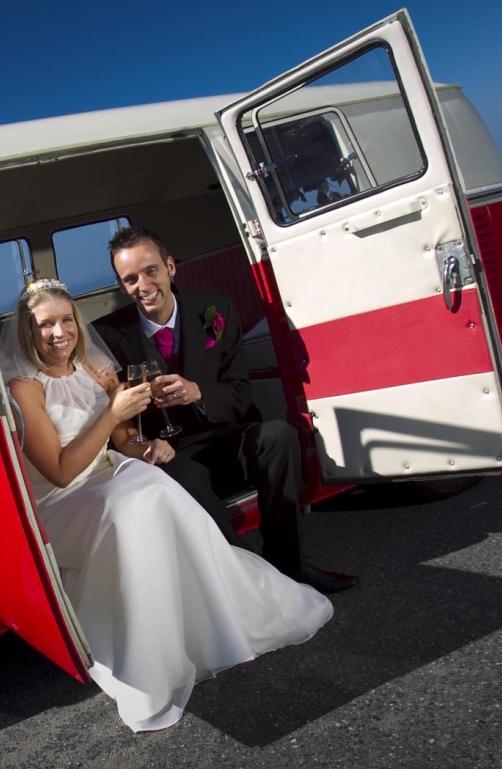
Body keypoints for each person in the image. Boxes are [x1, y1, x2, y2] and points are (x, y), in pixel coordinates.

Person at [0, 278, 332, 732]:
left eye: (66, 321)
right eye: (45, 325)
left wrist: (148, 447)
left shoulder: (95, 369)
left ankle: (211, 622)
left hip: (107, 474)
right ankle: (150, 652)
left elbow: (122, 440)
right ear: (28, 331)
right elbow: (59, 470)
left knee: (153, 485)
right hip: (62, 498)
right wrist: (113, 413)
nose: (59, 333)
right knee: (135, 500)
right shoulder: (24, 389)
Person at [94, 226, 356, 593]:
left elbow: (239, 391)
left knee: (278, 435)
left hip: (224, 434)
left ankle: (290, 562)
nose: (143, 285)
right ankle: (252, 579)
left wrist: (197, 392)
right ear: (123, 286)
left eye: (151, 270)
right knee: (181, 474)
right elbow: (116, 413)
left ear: (170, 267)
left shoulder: (214, 310)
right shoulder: (107, 334)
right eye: (131, 279)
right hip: (173, 451)